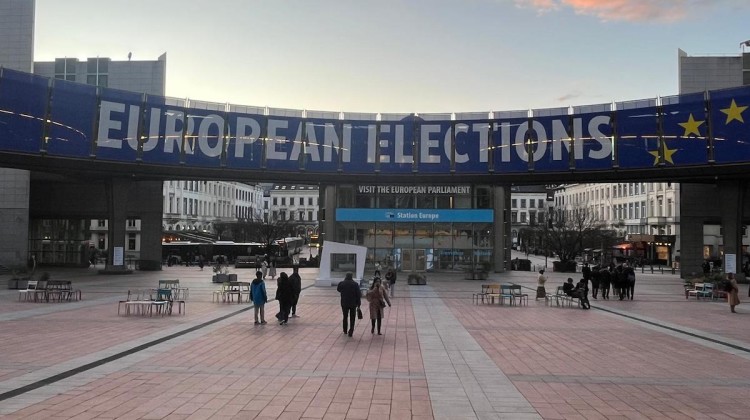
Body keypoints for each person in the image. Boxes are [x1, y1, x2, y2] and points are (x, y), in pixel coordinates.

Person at [337, 272, 361, 337]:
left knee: (345, 316)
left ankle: (345, 330)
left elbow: (338, 289)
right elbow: (358, 295)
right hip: (353, 303)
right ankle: (351, 330)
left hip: (344, 303)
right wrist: (359, 304)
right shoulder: (355, 284)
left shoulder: (342, 283)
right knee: (352, 318)